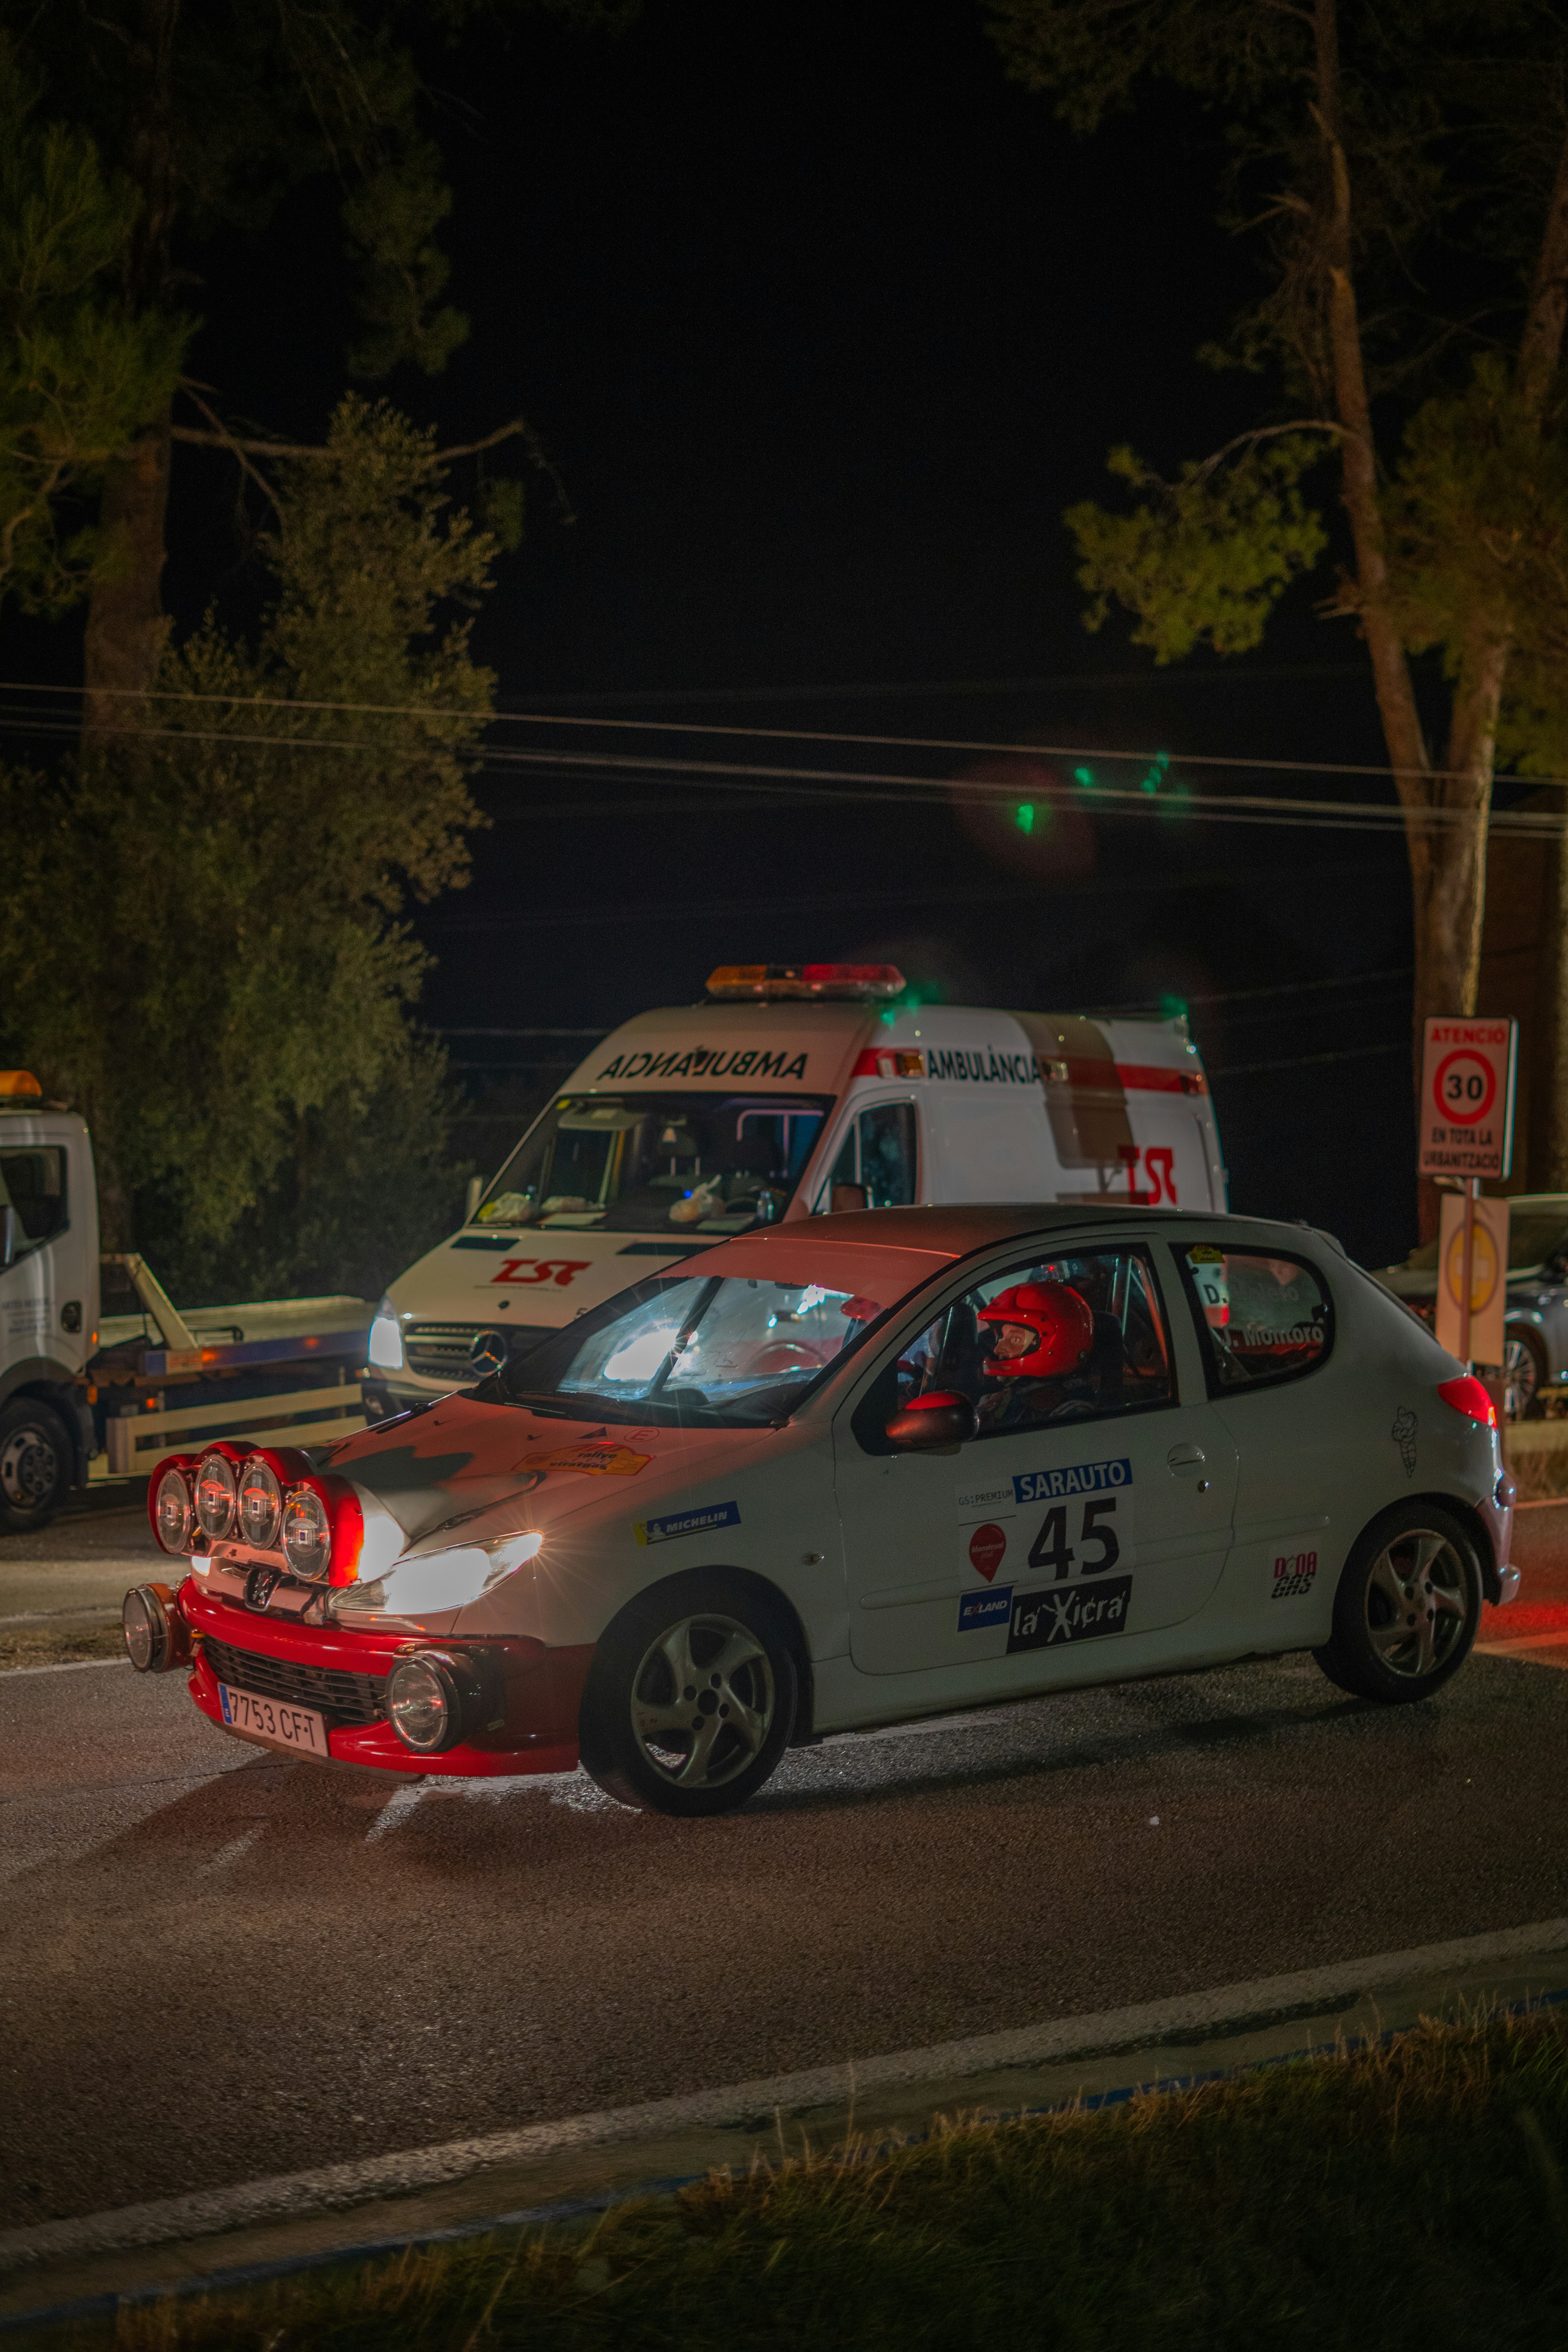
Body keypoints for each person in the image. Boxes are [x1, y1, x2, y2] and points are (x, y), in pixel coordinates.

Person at [976, 1280, 1097, 1430]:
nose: (997, 1349)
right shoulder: (1009, 1397)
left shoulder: (1073, 1416)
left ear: (1057, 1343)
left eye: (1015, 1339)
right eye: (1001, 1337)